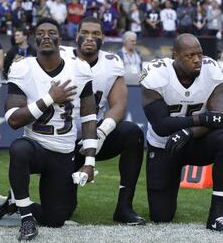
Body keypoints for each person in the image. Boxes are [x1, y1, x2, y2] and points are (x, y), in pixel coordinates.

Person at [0, 18, 97, 241]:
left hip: (63, 153)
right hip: (36, 148)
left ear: (60, 39)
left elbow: (89, 117)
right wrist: (50, 98)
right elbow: (13, 120)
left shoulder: (80, 69)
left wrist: (89, 162)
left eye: (51, 32)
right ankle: (26, 218)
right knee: (19, 148)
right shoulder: (23, 68)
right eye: (40, 33)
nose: (46, 36)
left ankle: (18, 201)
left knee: (56, 218)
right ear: (34, 40)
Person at [60, 17, 145, 225]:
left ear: (103, 38)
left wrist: (101, 132)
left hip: (94, 135)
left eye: (96, 34)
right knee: (63, 211)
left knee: (132, 133)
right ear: (76, 35)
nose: (90, 38)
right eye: (85, 33)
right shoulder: (60, 55)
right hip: (62, 139)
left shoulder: (112, 62)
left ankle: (124, 207)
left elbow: (119, 105)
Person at [141, 33, 223, 230]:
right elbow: (161, 126)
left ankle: (218, 213)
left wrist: (190, 132)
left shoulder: (212, 70)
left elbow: (219, 118)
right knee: (161, 216)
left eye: (200, 54)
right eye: (190, 55)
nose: (197, 60)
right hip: (165, 145)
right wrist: (201, 119)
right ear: (175, 55)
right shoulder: (156, 73)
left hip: (198, 141)